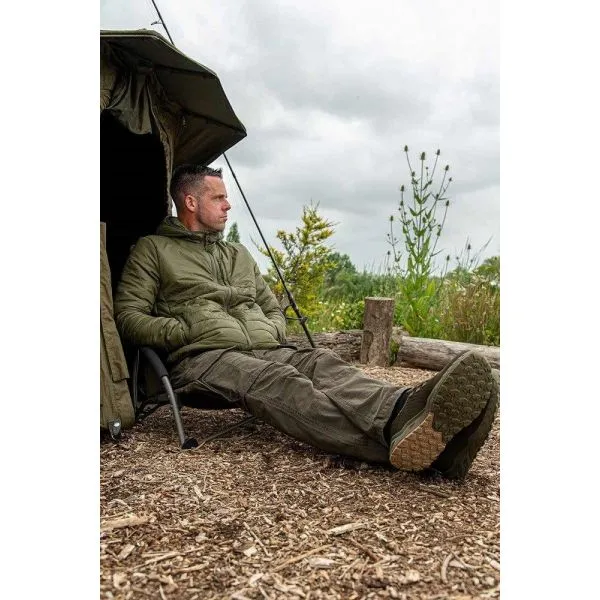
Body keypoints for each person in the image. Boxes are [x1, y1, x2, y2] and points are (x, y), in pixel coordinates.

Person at [114, 164, 499, 479]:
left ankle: (402, 408)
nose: (228, 205)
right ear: (190, 201)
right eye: (218, 198)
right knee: (282, 382)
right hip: (205, 357)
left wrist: (271, 328)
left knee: (321, 363)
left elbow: (271, 306)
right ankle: (417, 449)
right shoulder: (154, 250)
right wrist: (184, 331)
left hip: (265, 347)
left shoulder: (238, 253)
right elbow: (128, 315)